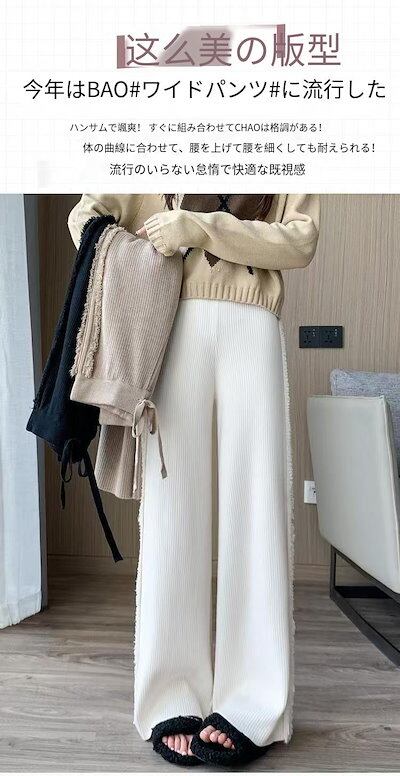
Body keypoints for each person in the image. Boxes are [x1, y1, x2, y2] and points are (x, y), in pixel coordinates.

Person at [68, 192, 320, 767]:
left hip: (253, 324)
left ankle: (254, 701)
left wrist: (199, 229)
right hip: (171, 323)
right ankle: (169, 695)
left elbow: (301, 240)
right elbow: (86, 216)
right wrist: (138, 256)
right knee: (170, 512)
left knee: (256, 511)